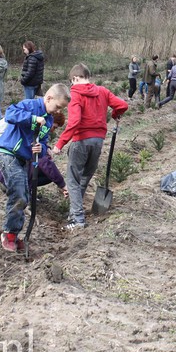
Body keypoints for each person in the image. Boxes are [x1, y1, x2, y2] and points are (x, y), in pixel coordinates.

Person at [52, 64, 127, 230]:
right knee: (84, 177)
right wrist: (114, 115)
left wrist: (60, 143)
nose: (72, 85)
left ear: (75, 78)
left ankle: (78, 219)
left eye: (72, 82)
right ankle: (74, 212)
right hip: (98, 141)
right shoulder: (102, 91)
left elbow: (75, 121)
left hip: (81, 141)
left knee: (72, 180)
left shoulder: (75, 95)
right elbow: (122, 105)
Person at [0, 84, 70, 251]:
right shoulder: (30, 105)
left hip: (23, 158)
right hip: (8, 153)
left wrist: (41, 149)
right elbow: (10, 114)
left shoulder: (49, 119)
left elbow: (43, 143)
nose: (57, 111)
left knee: (24, 195)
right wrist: (32, 119)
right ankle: (8, 234)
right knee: (20, 194)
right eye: (57, 107)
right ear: (49, 98)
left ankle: (14, 235)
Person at [0, 111, 69, 196]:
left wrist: (45, 148)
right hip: (7, 163)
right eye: (54, 127)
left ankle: (20, 188)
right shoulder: (31, 127)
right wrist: (62, 184)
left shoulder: (29, 120)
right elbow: (44, 162)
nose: (52, 130)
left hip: (1, 164)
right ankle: (20, 191)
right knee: (44, 171)